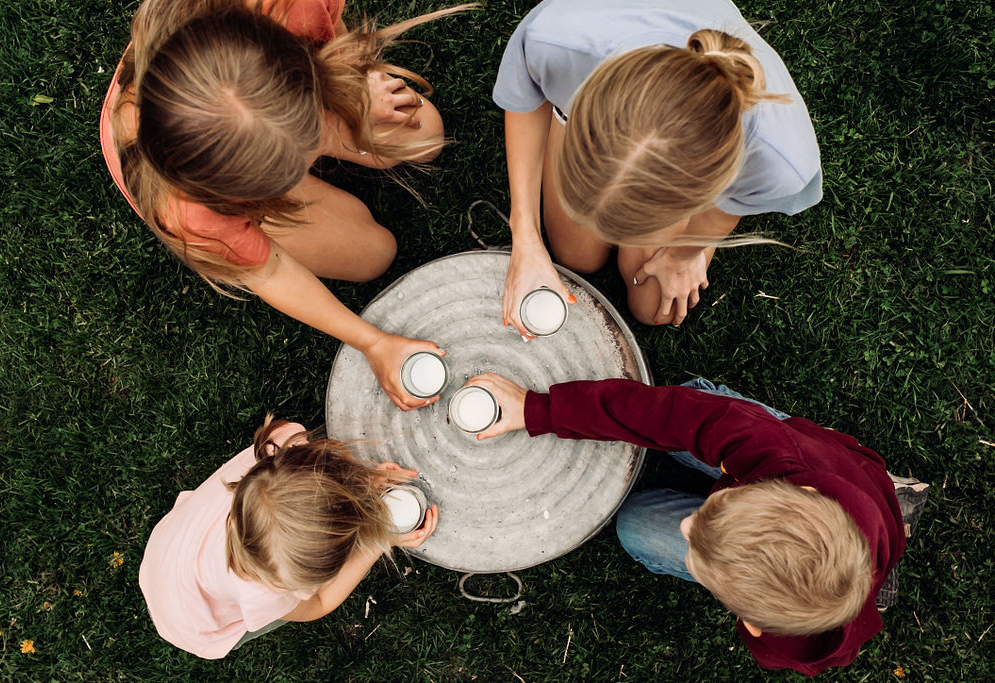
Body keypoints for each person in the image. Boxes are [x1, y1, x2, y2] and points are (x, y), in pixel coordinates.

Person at [100, 0, 469, 410]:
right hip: (203, 138)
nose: (312, 168)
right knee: (374, 255)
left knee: (426, 136)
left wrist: (357, 82)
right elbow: (269, 270)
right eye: (290, 176)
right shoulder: (188, 207)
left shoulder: (294, 8)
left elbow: (336, 43)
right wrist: (372, 341)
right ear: (242, 197)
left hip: (264, 97)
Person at [465, 373, 903, 676]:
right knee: (694, 397)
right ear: (797, 493)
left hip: (838, 518)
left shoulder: (796, 644)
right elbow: (666, 411)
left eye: (697, 561)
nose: (685, 528)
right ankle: (895, 503)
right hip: (819, 460)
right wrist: (538, 409)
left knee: (634, 527)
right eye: (706, 516)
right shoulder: (776, 453)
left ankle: (868, 581)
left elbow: (793, 651)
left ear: (748, 618)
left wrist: (743, 605)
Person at [492, 0, 822, 330]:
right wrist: (525, 235)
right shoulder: (557, 37)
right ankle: (565, 115)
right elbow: (527, 94)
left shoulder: (779, 161)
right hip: (593, 56)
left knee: (652, 308)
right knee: (577, 258)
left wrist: (683, 256)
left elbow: (727, 207)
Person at [139, 416, 439, 659]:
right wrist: (377, 541)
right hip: (188, 619)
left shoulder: (276, 450)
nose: (306, 592)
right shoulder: (261, 594)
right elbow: (319, 602)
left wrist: (361, 479)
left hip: (168, 550)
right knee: (269, 613)